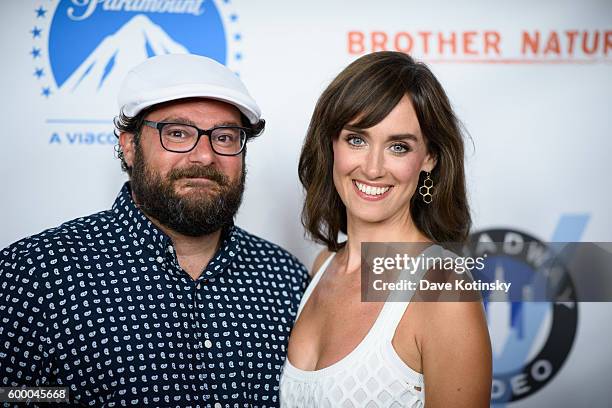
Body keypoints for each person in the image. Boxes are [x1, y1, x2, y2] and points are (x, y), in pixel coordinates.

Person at [0, 54, 308, 407]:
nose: (204, 156)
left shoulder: (284, 278)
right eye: (177, 134)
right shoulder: (36, 272)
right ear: (129, 145)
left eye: (224, 137)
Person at [280, 51, 492, 407]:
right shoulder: (322, 267)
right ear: (332, 143)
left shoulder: (442, 292)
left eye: (398, 147)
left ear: (429, 158)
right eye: (357, 139)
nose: (374, 168)